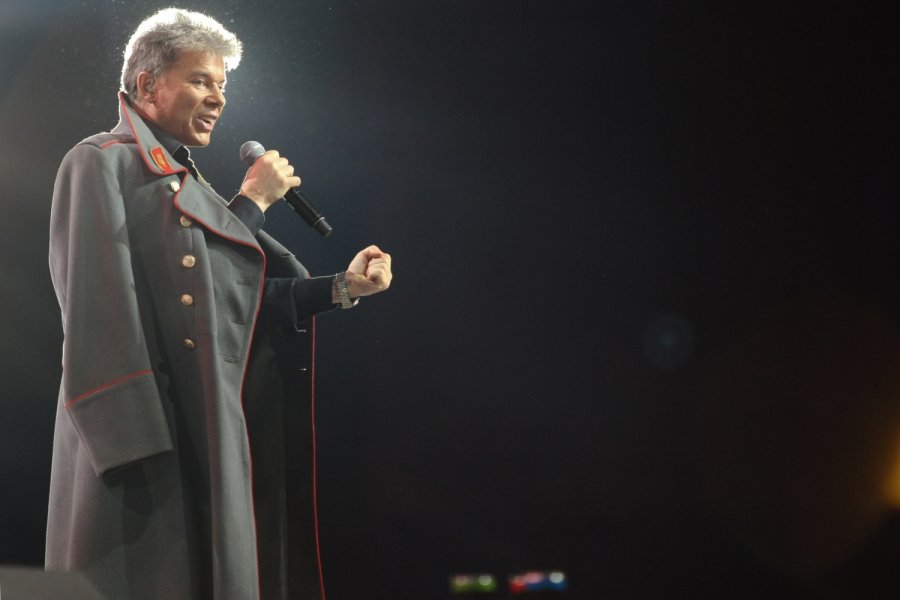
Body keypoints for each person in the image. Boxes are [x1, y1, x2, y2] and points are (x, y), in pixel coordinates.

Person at [45, 8, 392, 600]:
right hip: (148, 438)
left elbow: (229, 296)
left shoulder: (187, 184)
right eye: (201, 80)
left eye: (222, 85)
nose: (218, 99)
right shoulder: (100, 160)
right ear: (147, 84)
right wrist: (253, 200)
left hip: (206, 422)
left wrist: (341, 288)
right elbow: (95, 306)